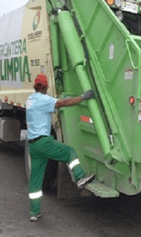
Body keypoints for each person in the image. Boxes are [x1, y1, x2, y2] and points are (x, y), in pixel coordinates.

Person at [25, 74, 95, 222]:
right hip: (44, 142)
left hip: (33, 145)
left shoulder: (29, 99)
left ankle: (34, 212)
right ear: (46, 87)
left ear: (34, 86)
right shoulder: (44, 100)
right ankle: (80, 177)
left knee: (35, 181)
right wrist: (83, 97)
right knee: (69, 152)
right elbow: (65, 103)